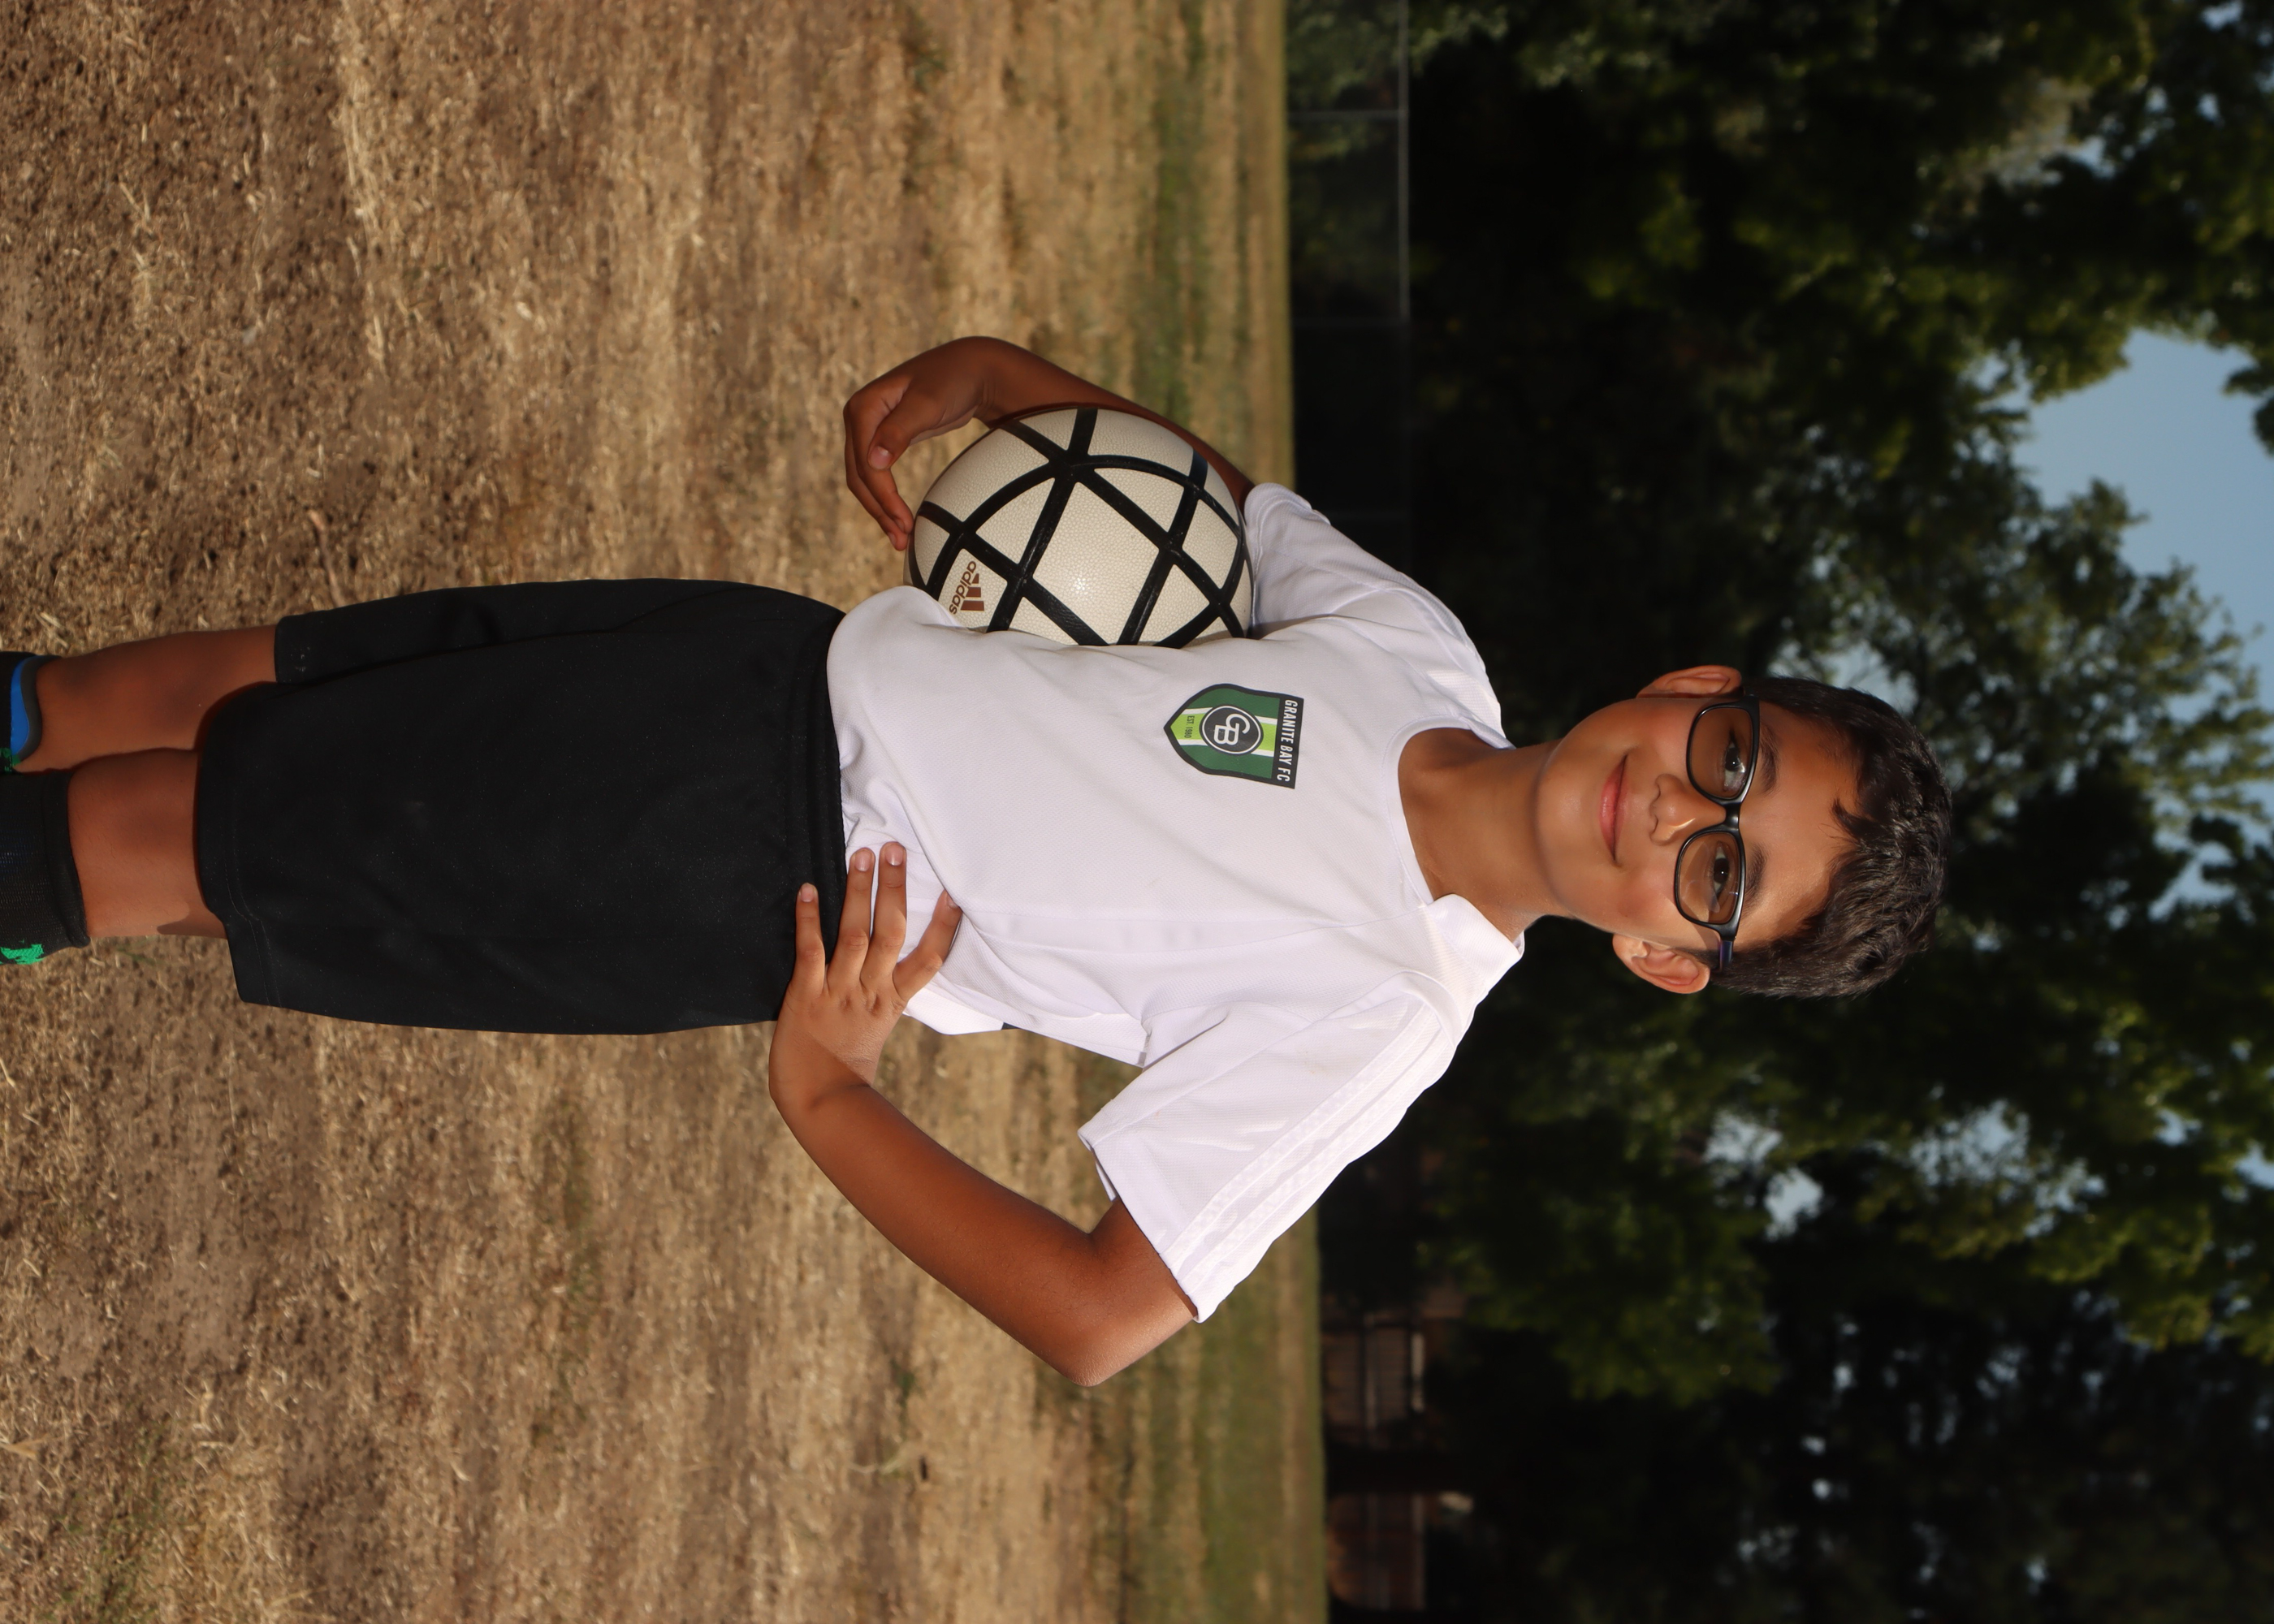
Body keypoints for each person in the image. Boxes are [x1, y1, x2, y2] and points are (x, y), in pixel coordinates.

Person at [0, 337, 1952, 1384]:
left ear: (1666, 960)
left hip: (729, 859)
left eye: (1718, 878)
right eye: (1727, 765)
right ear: (1692, 690)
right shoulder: (1420, 653)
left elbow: (1103, 1314)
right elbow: (1218, 514)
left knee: (190, 832)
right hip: (764, 657)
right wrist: (1010, 380)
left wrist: (829, 1091)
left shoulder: (1381, 1015)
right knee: (236, 682)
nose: (1677, 816)